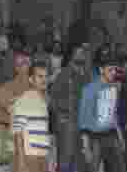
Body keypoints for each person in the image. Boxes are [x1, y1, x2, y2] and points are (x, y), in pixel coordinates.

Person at [77, 49, 124, 172]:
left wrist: (120, 136)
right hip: (95, 138)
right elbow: (84, 119)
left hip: (112, 134)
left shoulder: (114, 87)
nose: (113, 73)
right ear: (101, 70)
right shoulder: (90, 89)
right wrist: (85, 147)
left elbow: (114, 113)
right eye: (110, 70)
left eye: (115, 70)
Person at [0, 51, 33, 172]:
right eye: (19, 64)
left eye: (25, 63)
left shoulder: (37, 86)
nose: (23, 66)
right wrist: (7, 120)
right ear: (15, 67)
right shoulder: (8, 86)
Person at [50, 42, 91, 172]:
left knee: (81, 162)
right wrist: (64, 111)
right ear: (72, 56)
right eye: (79, 53)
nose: (82, 56)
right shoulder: (64, 74)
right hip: (67, 124)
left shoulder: (86, 75)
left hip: (82, 124)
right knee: (65, 162)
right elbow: (52, 100)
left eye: (83, 53)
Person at [12, 59, 54, 172]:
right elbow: (17, 132)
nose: (44, 80)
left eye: (46, 76)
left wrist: (48, 158)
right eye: (40, 76)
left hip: (42, 156)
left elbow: (44, 133)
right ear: (31, 79)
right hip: (29, 157)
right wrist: (21, 161)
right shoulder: (25, 100)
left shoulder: (43, 101)